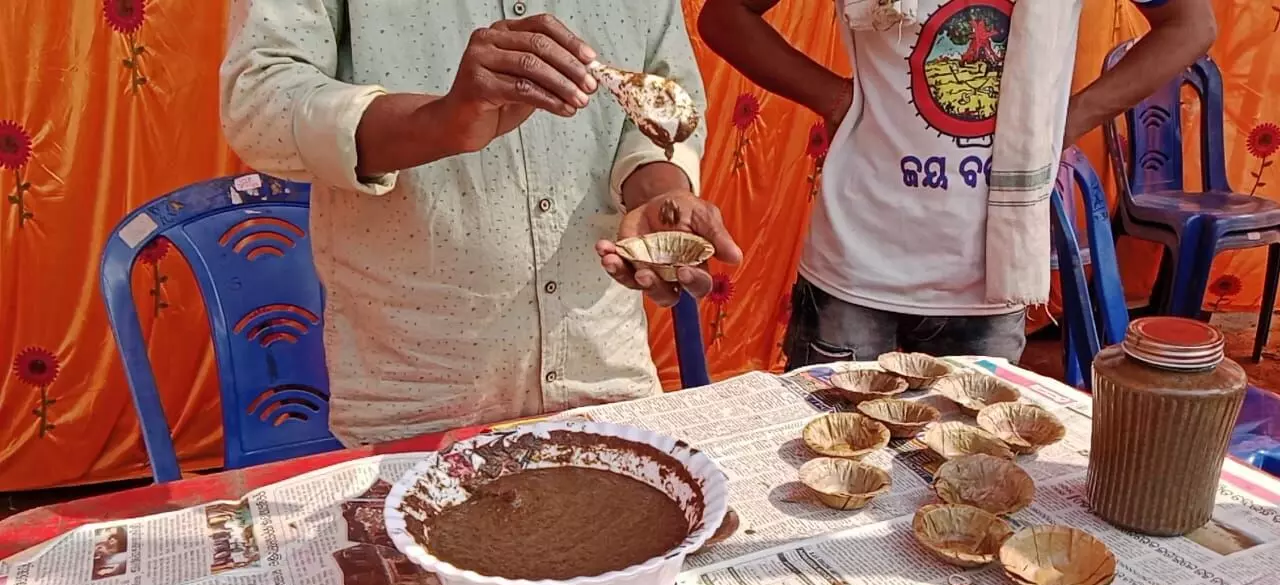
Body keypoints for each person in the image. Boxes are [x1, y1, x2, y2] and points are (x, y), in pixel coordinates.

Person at [220, 2, 739, 445]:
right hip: (417, 400)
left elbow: (663, 92)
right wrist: (440, 123)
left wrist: (660, 193)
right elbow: (259, 99)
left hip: (606, 378)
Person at [698, 0, 1216, 368]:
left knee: (969, 492)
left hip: (989, 273)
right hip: (857, 265)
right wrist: (834, 99)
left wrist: (1070, 119)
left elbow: (1189, 24)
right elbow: (725, 17)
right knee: (831, 478)